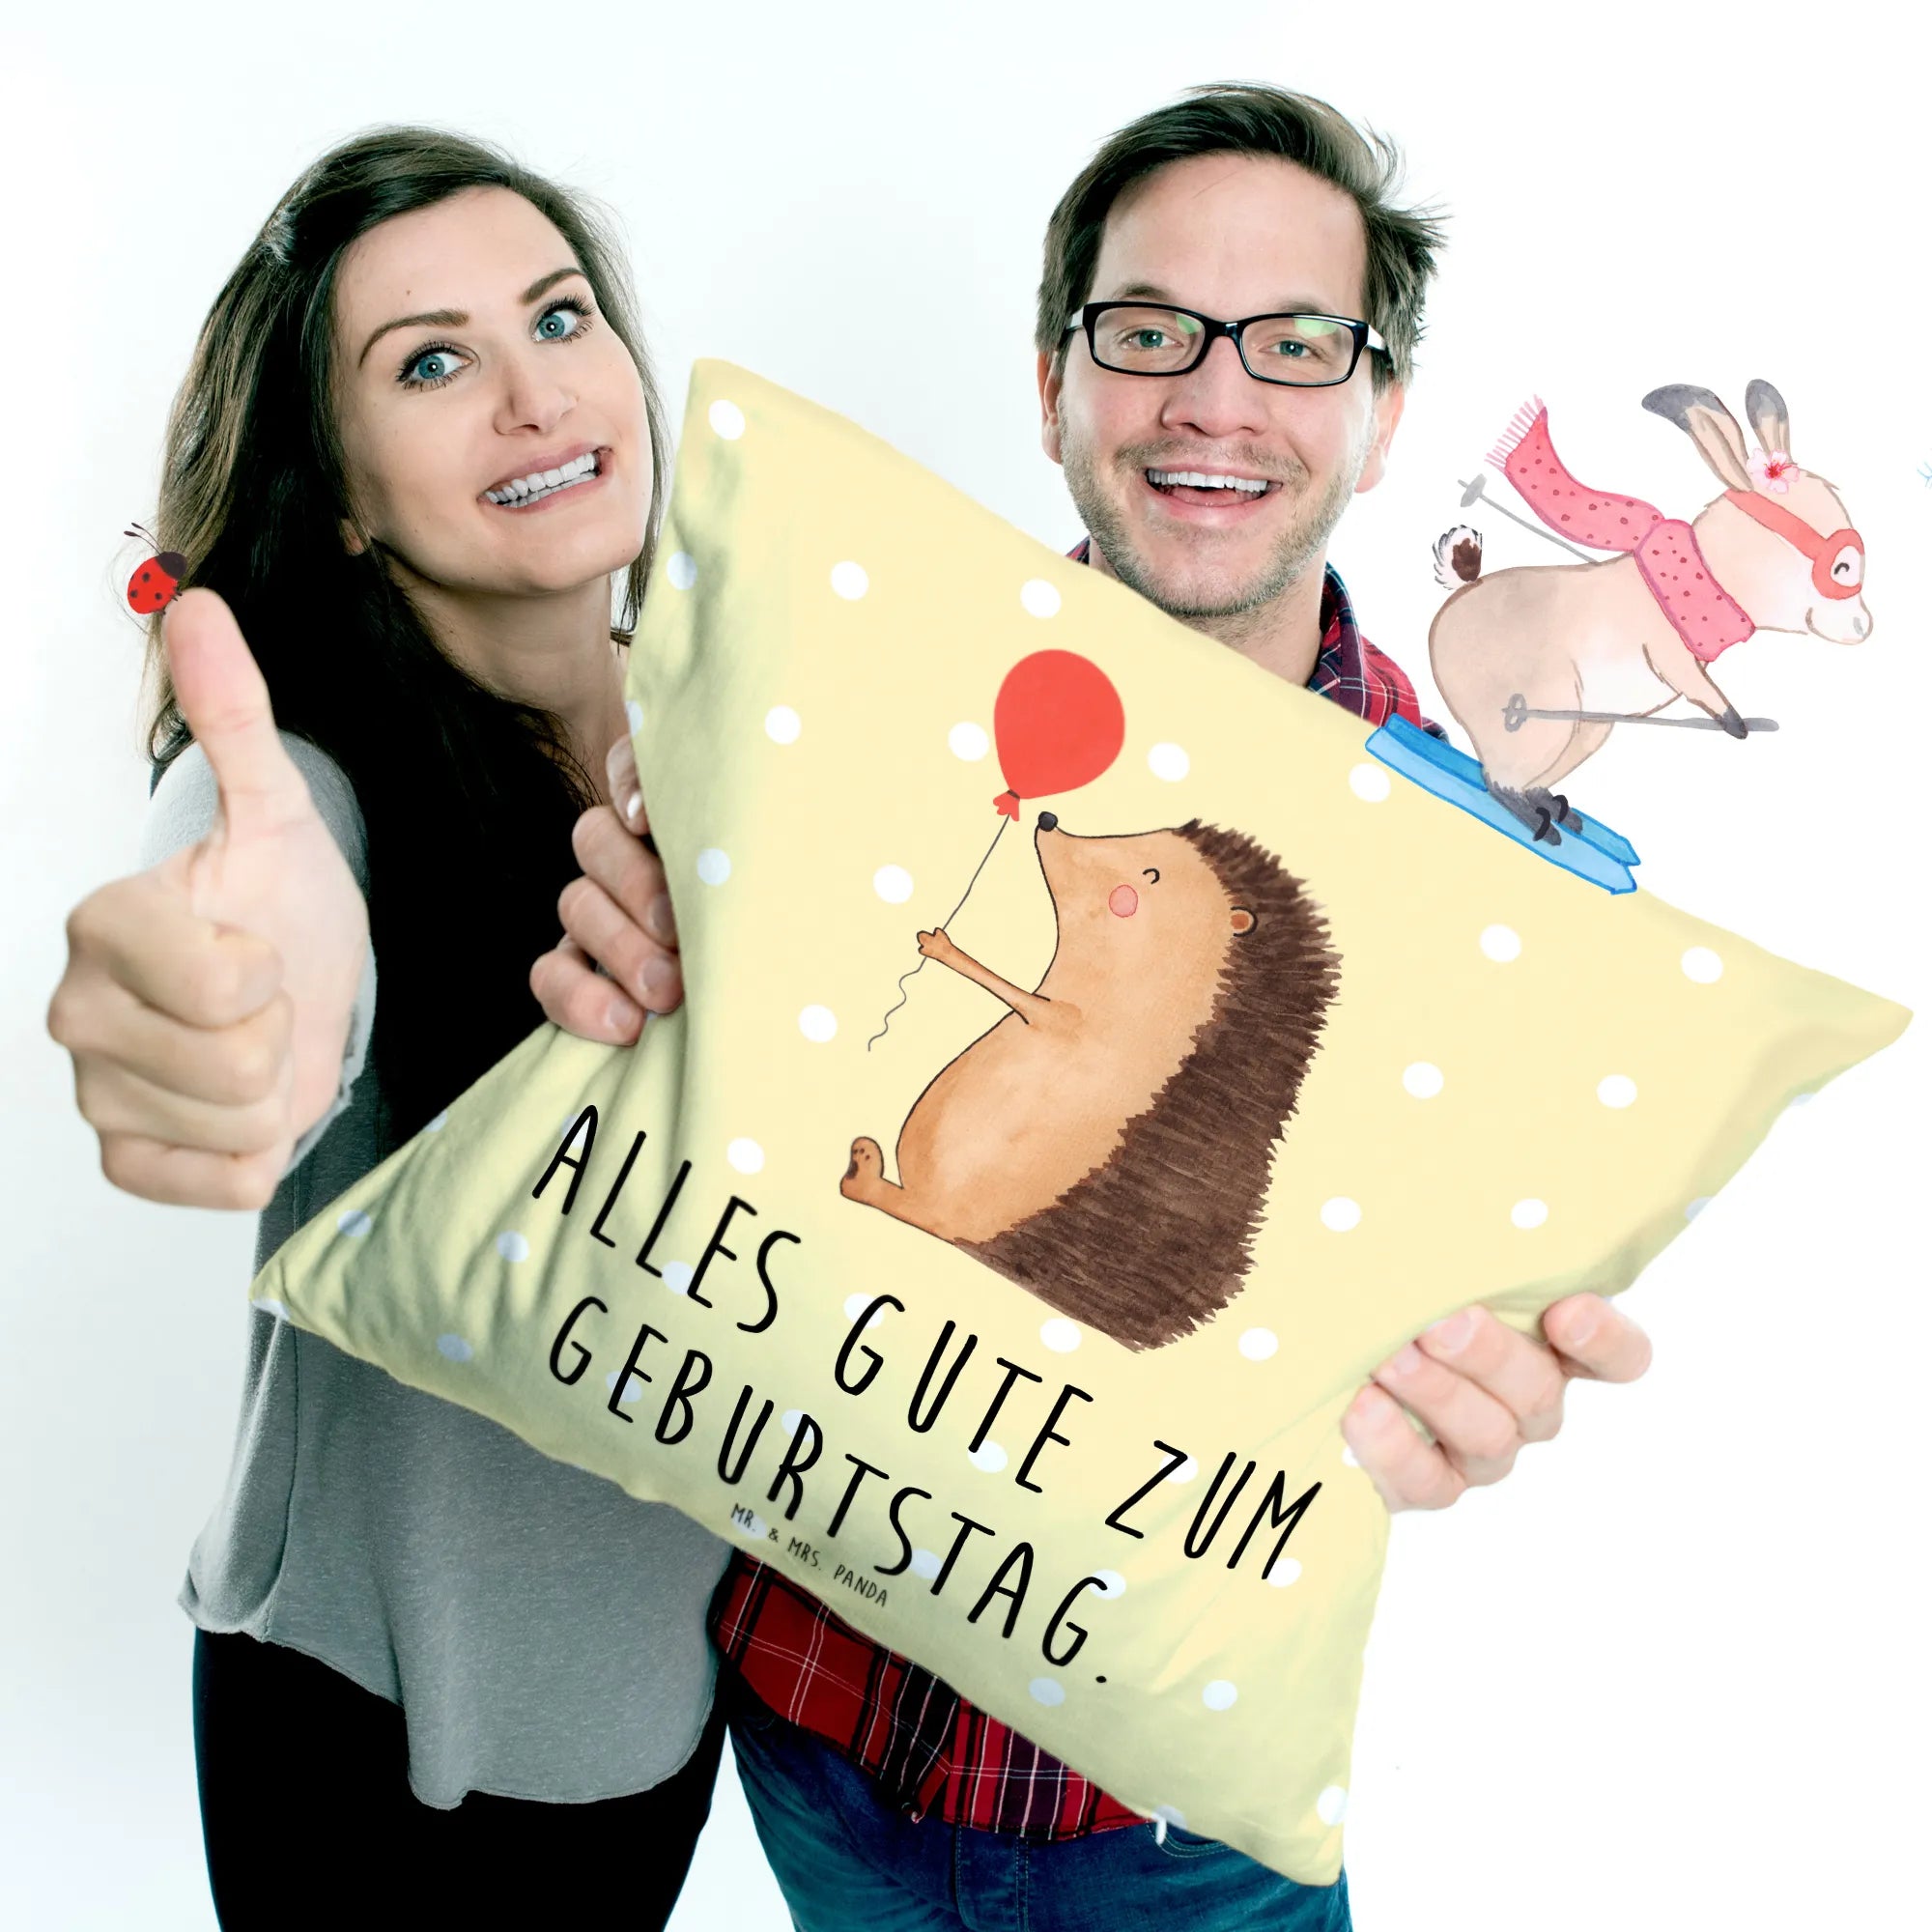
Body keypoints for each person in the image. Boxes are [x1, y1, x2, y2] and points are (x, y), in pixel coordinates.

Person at [534, 84, 1656, 1929]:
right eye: (1150, 333)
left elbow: (1428, 1313)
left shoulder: (1483, 890)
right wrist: (627, 972)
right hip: (806, 1736)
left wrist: (1478, 1381)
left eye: (1297, 343)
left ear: (1380, 419)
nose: (1216, 398)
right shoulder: (843, 705)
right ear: (1054, 383)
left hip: (1179, 1825)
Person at [44, 130, 727, 1928]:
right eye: (430, 363)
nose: (533, 395)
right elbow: (253, 904)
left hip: (662, 1712)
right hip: (378, 1744)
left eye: (558, 318)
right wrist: (222, 1003)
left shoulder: (734, 745)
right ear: (342, 496)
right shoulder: (307, 784)